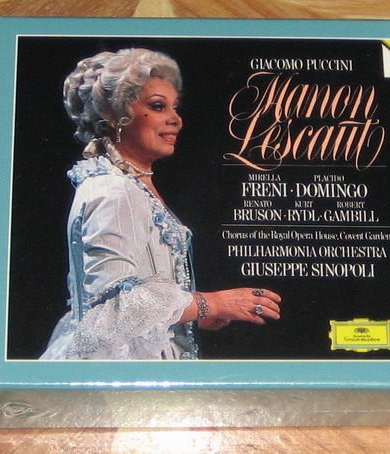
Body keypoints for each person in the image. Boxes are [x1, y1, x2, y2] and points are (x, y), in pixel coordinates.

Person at [40, 48, 281, 360]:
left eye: (174, 107)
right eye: (157, 106)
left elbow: (136, 292)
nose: (175, 119)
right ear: (114, 116)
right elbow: (111, 311)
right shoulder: (115, 191)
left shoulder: (128, 184)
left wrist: (188, 313)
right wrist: (209, 303)